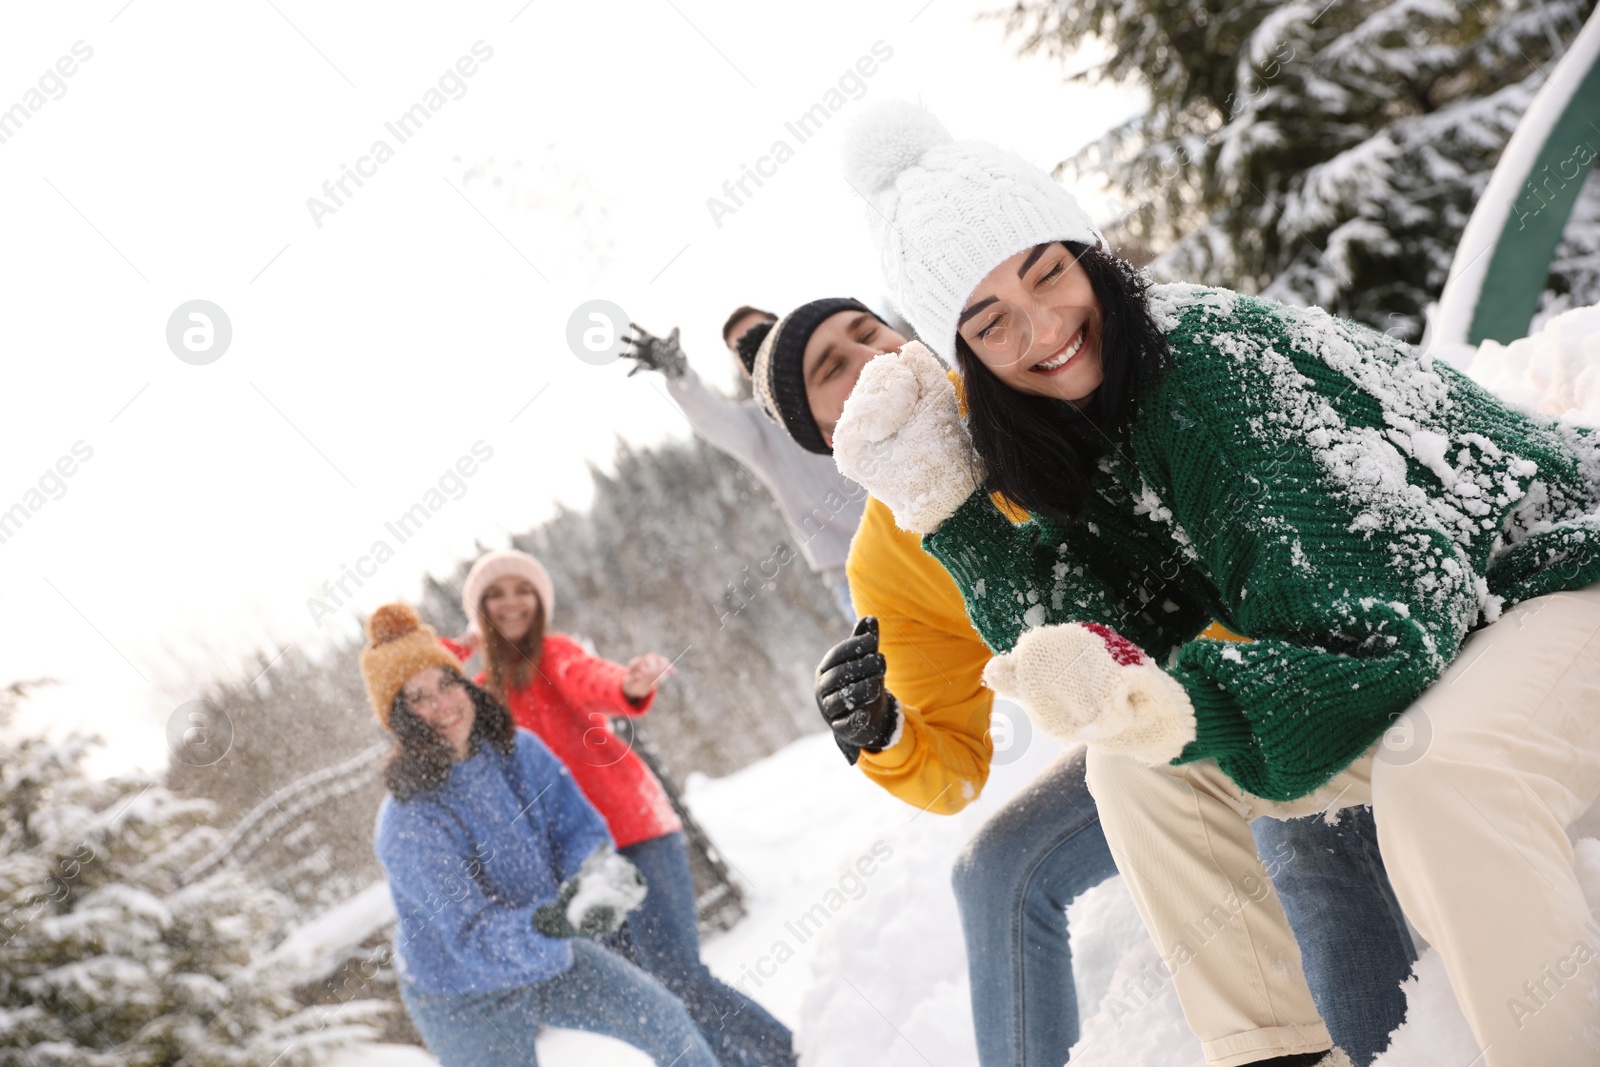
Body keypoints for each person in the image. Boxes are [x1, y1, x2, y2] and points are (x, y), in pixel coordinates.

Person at [832, 99, 1600, 1067]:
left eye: (1048, 271)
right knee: (1130, 760)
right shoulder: (1084, 424)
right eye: (989, 321)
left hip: (1557, 576)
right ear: (969, 363)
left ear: (1089, 254)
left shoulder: (1203, 366)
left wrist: (1175, 702)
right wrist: (954, 513)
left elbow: (1386, 641)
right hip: (1464, 630)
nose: (1042, 328)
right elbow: (1106, 641)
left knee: (1440, 775)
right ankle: (1274, 1052)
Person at [750, 302, 1415, 1065]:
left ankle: (1389, 1044)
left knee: (1292, 833)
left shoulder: (1025, 383)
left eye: (868, 331)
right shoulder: (884, 560)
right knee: (995, 870)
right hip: (1138, 740)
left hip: (1276, 680)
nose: (866, 356)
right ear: (830, 437)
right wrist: (882, 731)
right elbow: (953, 772)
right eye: (831, 367)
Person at [447, 549, 796, 1067]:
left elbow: (589, 677)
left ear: (540, 601)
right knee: (644, 994)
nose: (511, 603)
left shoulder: (556, 654)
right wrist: (461, 645)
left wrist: (627, 684)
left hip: (636, 833)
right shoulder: (481, 696)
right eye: (494, 595)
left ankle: (782, 1054)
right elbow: (420, 680)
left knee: (677, 975)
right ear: (479, 610)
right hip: (575, 863)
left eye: (522, 590)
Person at [362, 601, 721, 1067]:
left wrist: (595, 876)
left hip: (549, 954)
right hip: (463, 995)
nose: (442, 704)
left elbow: (576, 830)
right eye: (418, 697)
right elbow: (470, 936)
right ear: (400, 720)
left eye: (446, 682)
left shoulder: (519, 752)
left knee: (667, 1021)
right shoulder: (406, 825)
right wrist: (551, 923)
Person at [620, 304, 869, 621]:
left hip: (914, 532)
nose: (754, 348)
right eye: (742, 349)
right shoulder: (758, 427)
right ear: (741, 368)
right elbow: (713, 418)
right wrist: (678, 373)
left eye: (760, 334)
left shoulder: (838, 376)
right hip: (855, 572)